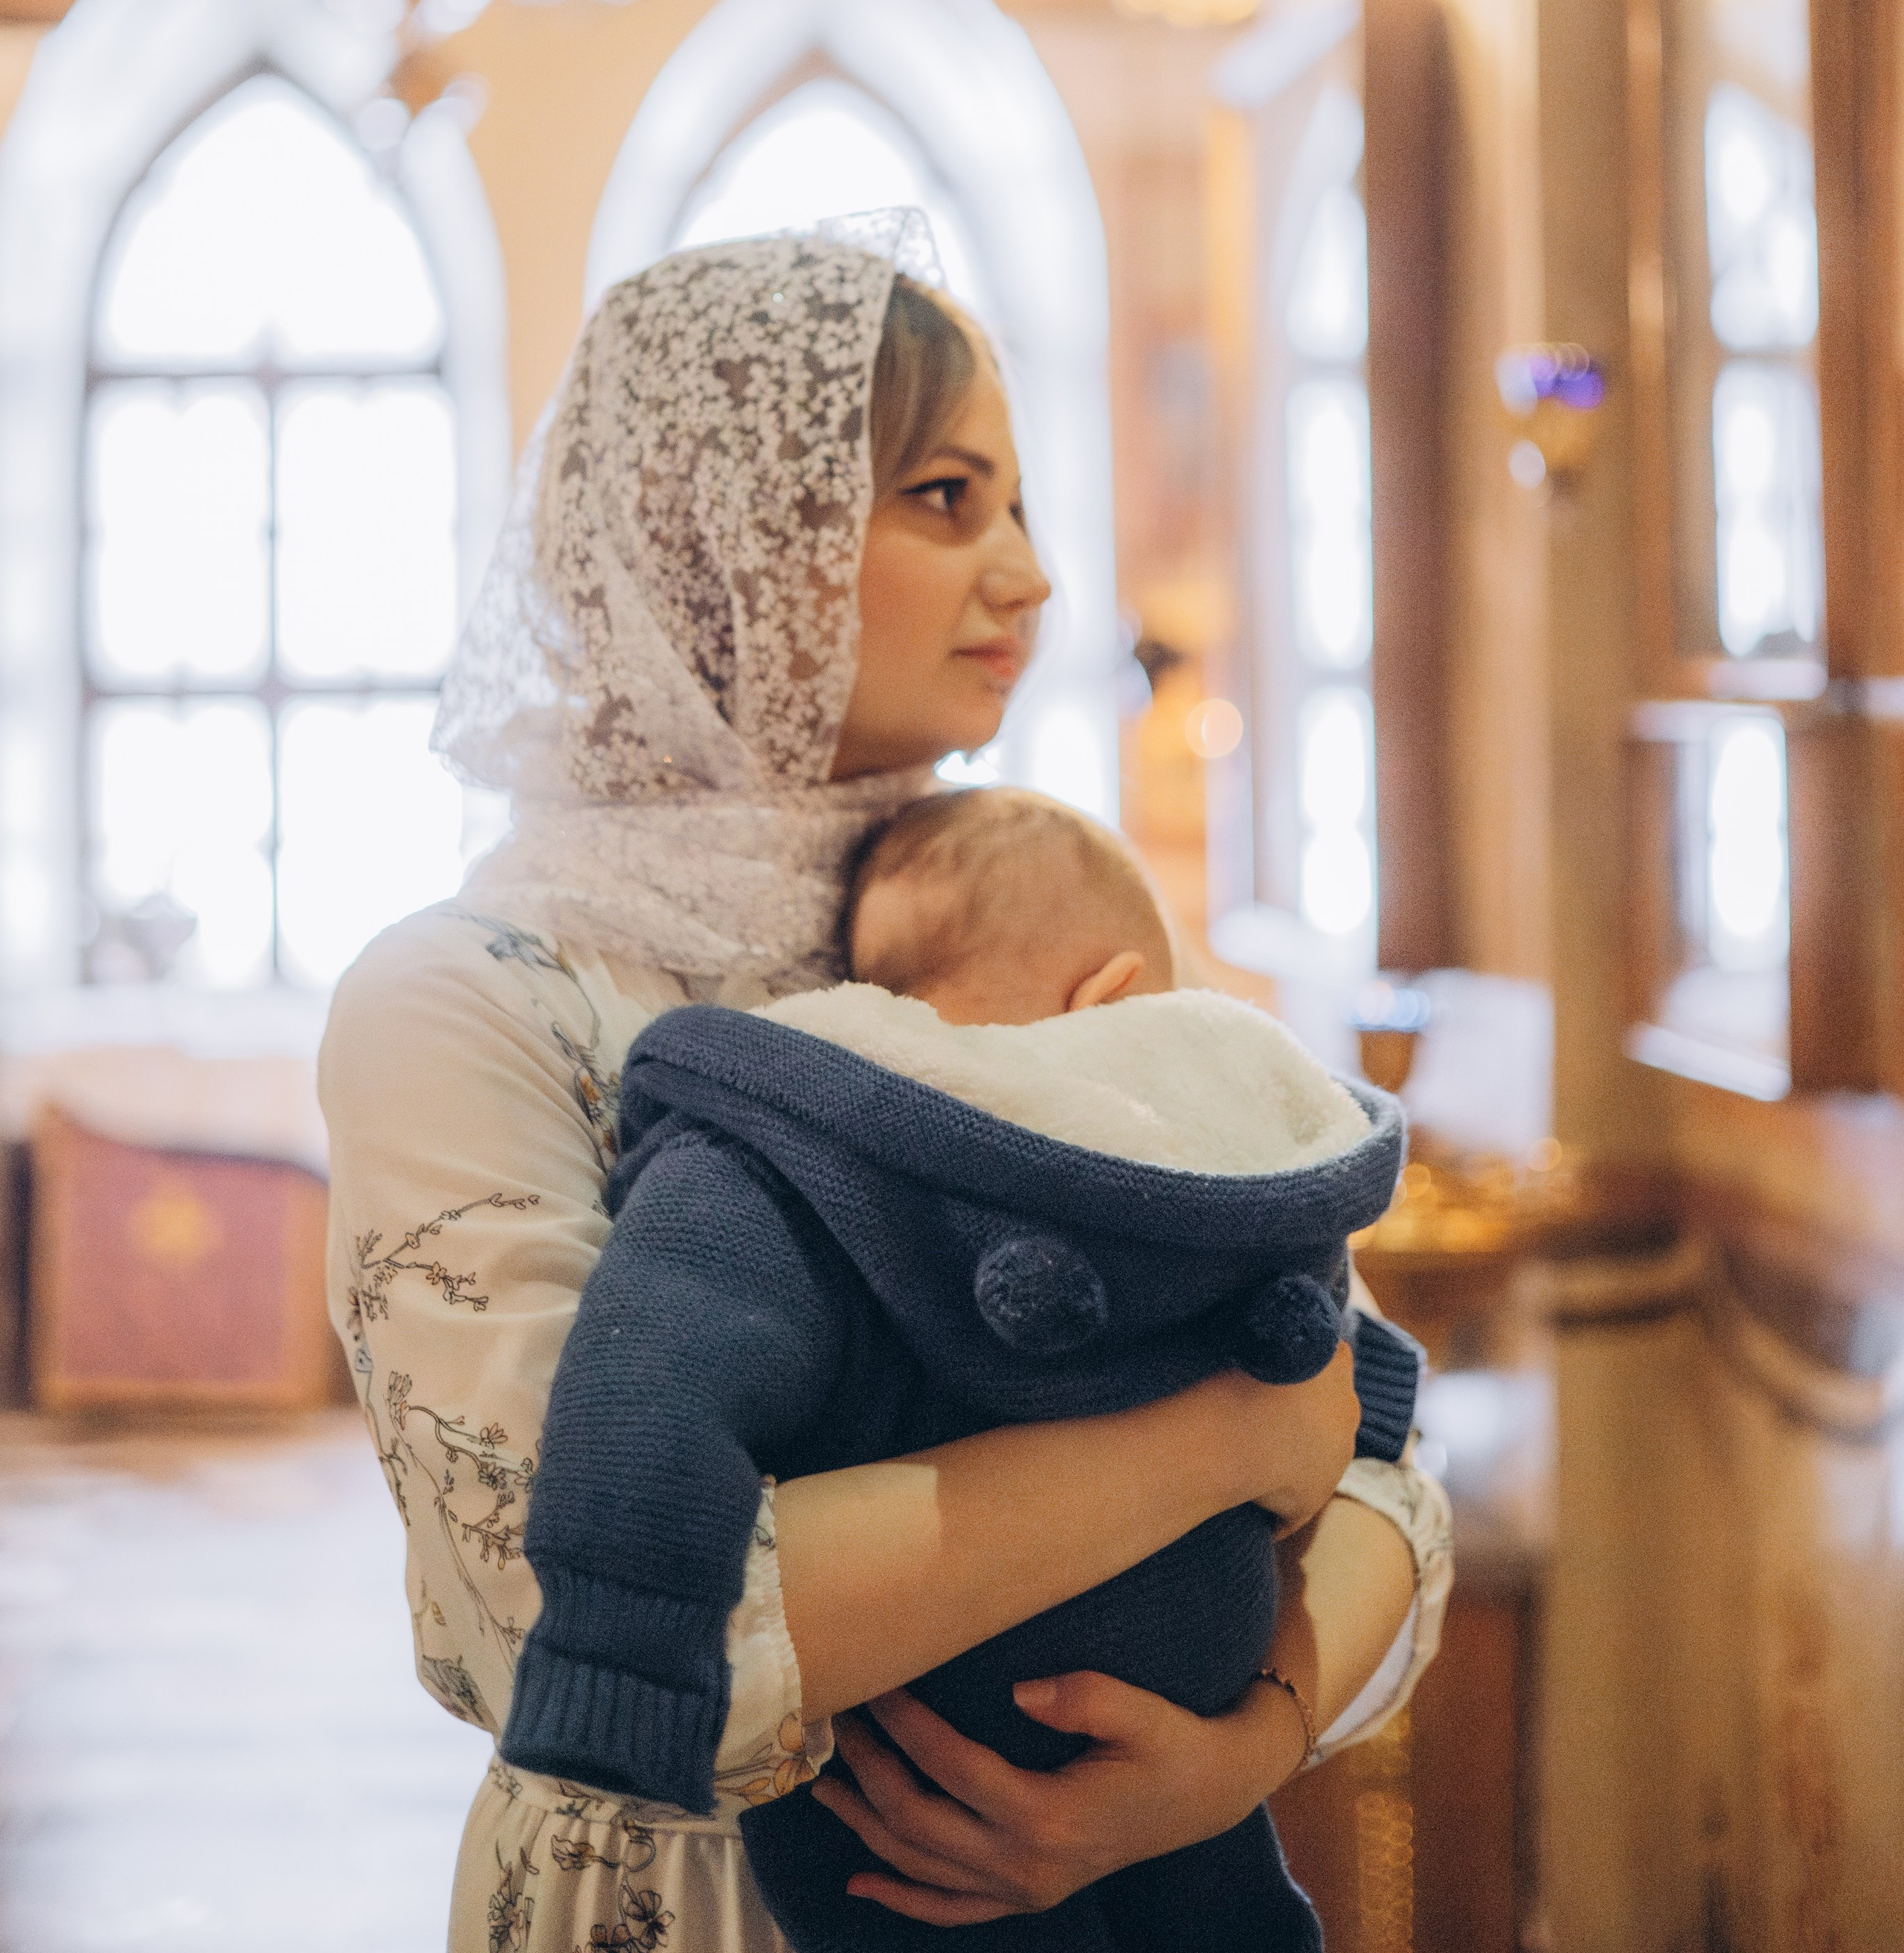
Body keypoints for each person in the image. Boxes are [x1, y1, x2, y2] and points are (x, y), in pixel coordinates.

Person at [318, 232, 1453, 1953]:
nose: (1032, 578)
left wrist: (1230, 1756)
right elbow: (564, 1608)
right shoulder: (472, 998)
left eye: (1015, 505)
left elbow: (1375, 1469)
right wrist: (1211, 1438)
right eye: (945, 498)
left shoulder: (1030, 901)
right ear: (732, 536)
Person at [501, 780, 1425, 1953]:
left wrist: (1236, 1756)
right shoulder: (812, 1150)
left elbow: (655, 1372)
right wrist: (616, 1677)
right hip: (905, 1818)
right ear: (1122, 997)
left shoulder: (775, 1170)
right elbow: (653, 1377)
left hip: (1183, 1804)